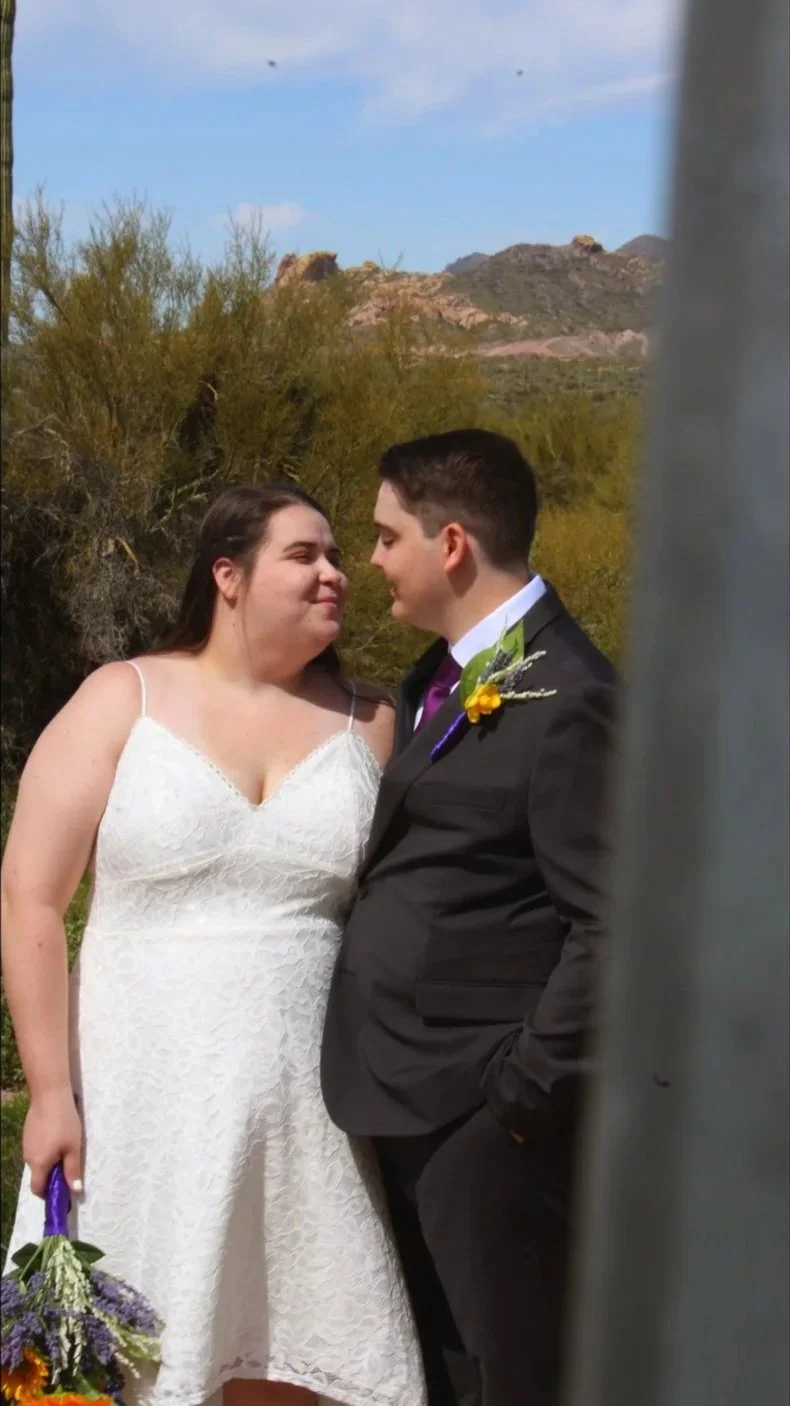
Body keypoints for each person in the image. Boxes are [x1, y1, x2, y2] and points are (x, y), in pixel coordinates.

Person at [1, 484, 427, 1406]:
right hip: (138, 1107)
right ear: (227, 576)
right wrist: (47, 1094)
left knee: (303, 1363)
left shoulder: (376, 723)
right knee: (126, 1367)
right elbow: (31, 897)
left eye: (338, 555)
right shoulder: (124, 697)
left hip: (311, 1118)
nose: (335, 574)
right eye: (305, 555)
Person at [321, 430, 619, 1406]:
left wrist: (517, 1096)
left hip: (483, 1118)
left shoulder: (571, 695)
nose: (369, 560)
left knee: (516, 1374)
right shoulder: (435, 679)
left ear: (450, 544)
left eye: (383, 535)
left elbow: (613, 928)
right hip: (405, 1097)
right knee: (443, 1373)